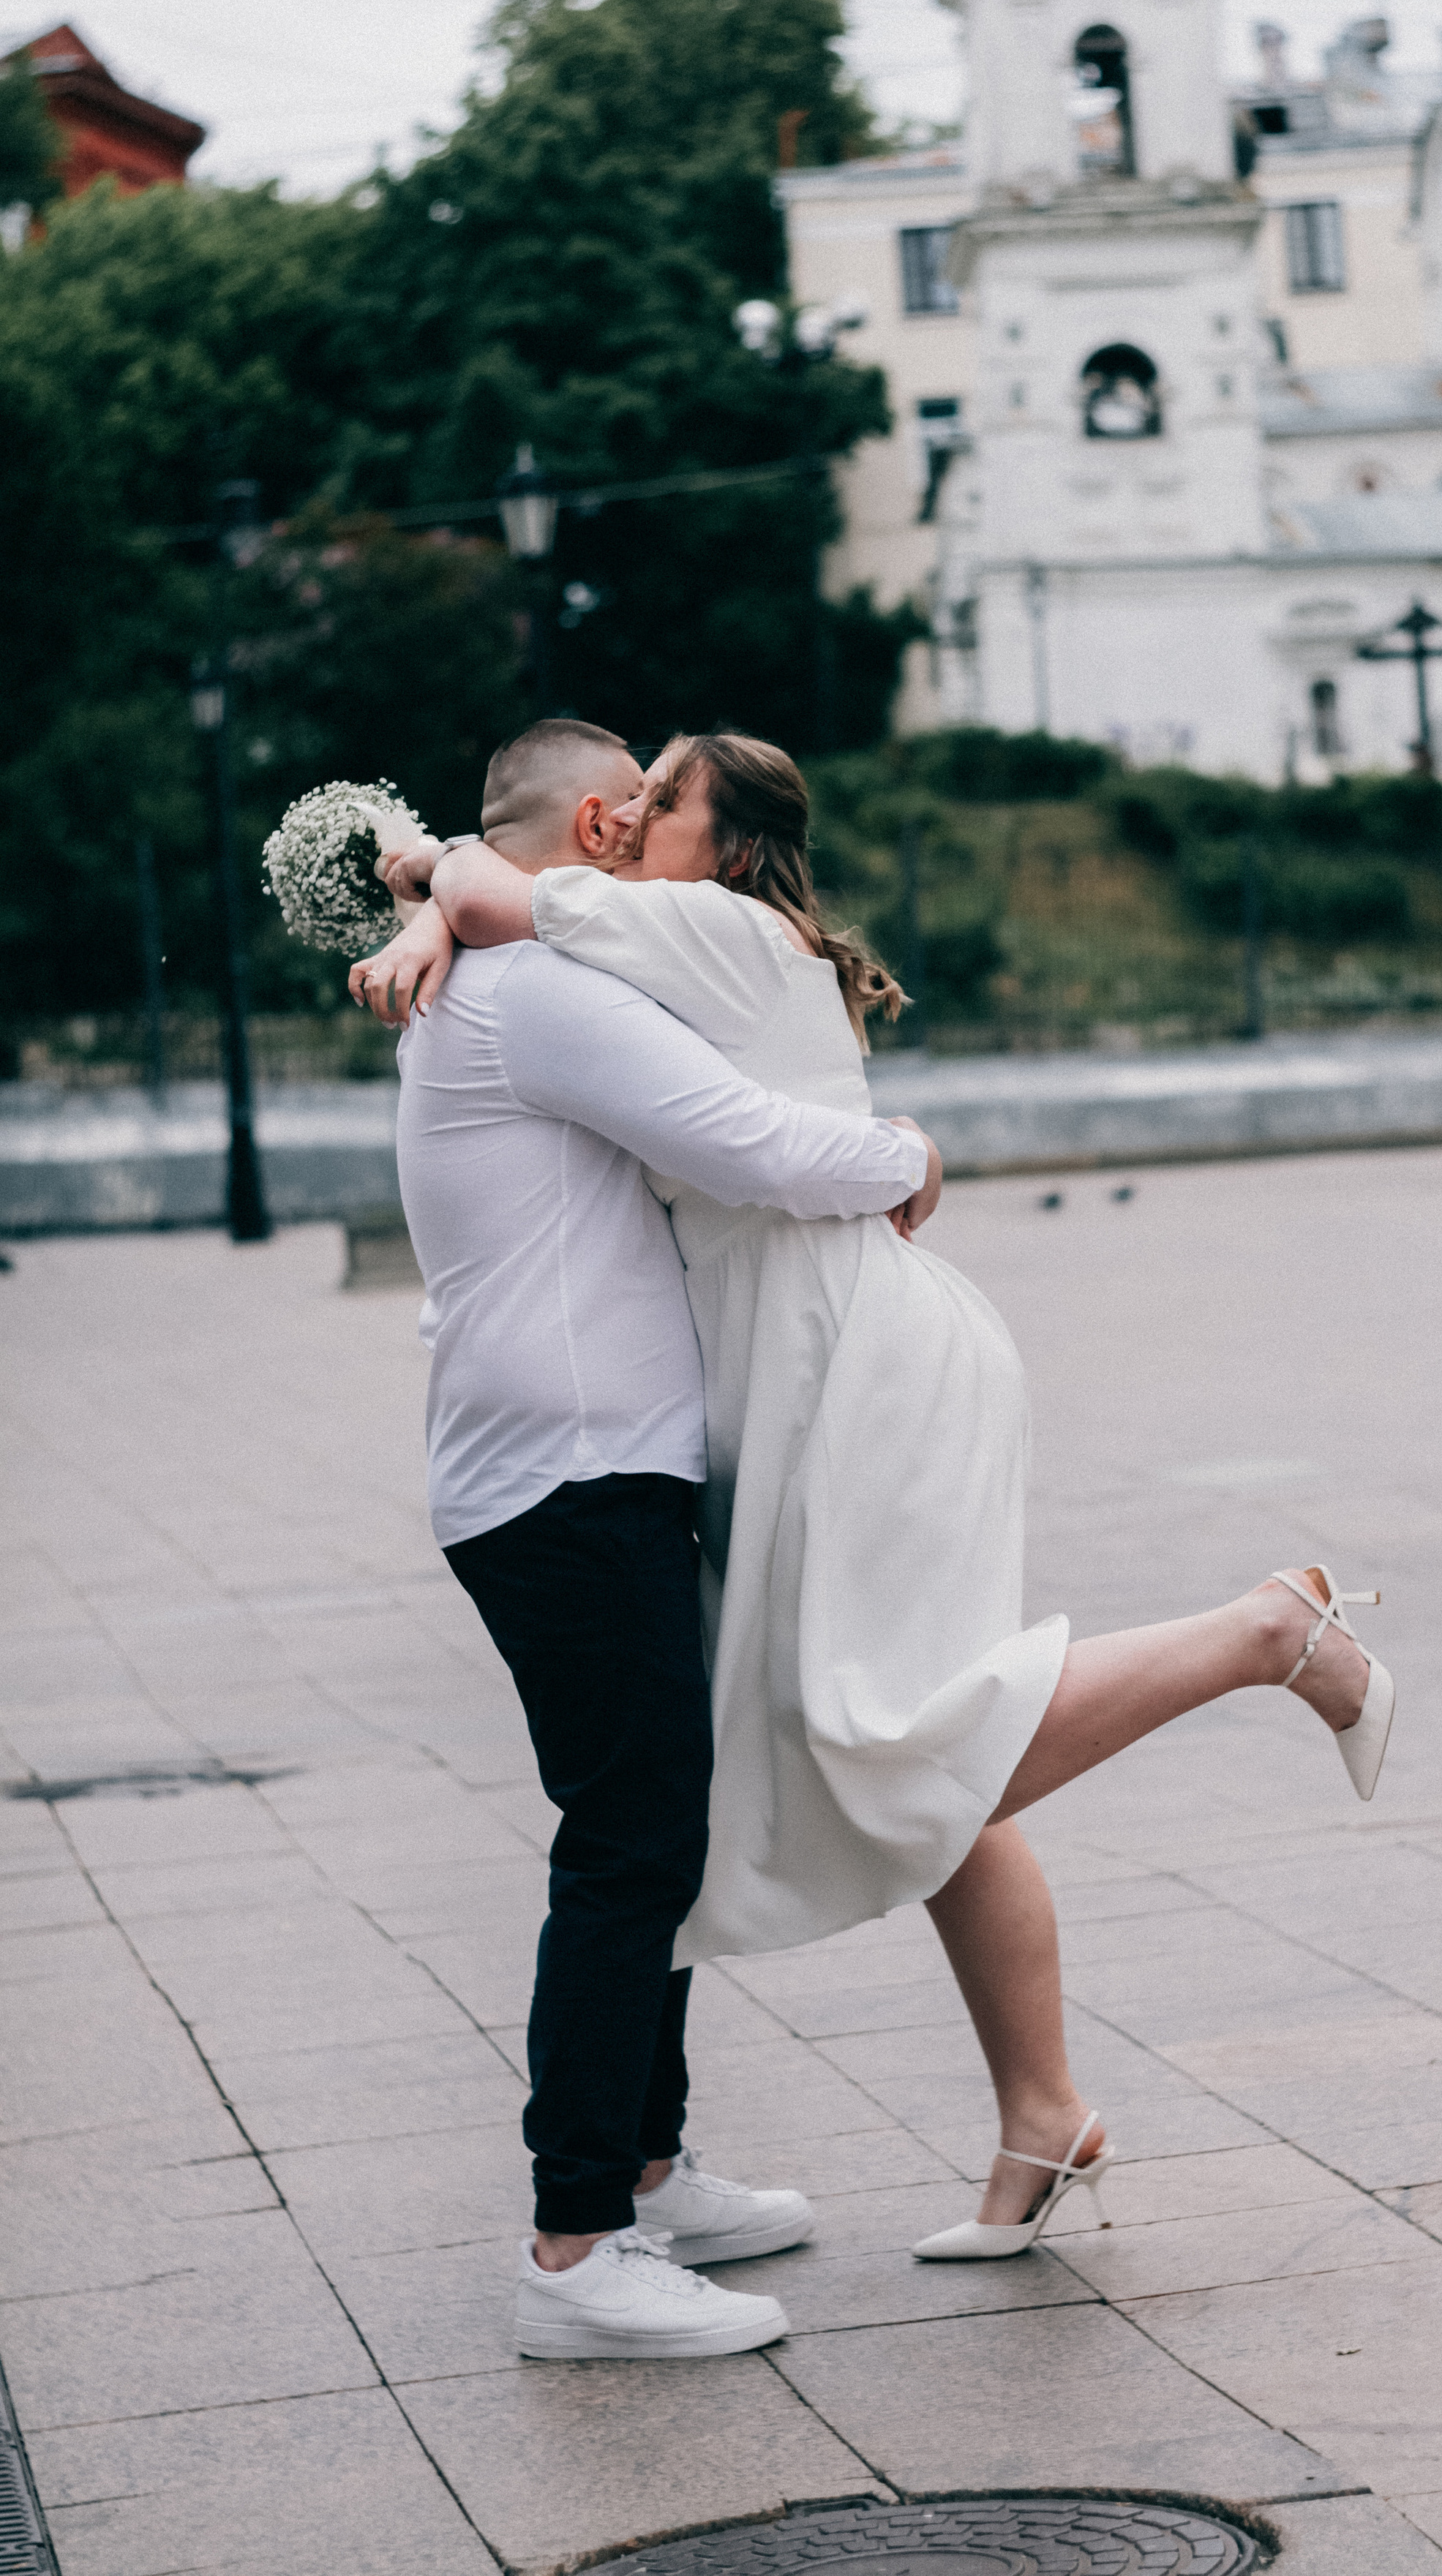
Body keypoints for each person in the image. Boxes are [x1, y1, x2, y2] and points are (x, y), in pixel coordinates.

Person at [360, 727, 1393, 2267]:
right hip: (794, 1377)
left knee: (894, 1730)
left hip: (846, 1372)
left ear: (719, 844)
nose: (633, 817)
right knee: (889, 1739)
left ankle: (1266, 1634)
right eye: (624, 799)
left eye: (661, 798)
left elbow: (581, 963)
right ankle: (1037, 2114)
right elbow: (509, 896)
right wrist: (438, 908)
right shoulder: (640, 944)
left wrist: (895, 1152)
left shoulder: (695, 930)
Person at [386, 718, 942, 2360]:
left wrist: (434, 891)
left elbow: (470, 880)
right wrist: (907, 1157)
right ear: (590, 824)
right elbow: (743, 1140)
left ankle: (645, 2167)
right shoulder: (540, 995)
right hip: (568, 1476)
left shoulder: (512, 971)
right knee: (629, 1846)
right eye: (626, 802)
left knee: (653, 1830)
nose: (639, 824)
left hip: (578, 1467)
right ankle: (576, 2251)